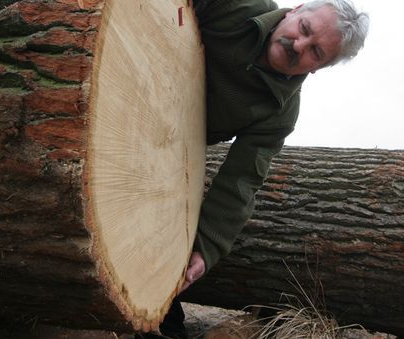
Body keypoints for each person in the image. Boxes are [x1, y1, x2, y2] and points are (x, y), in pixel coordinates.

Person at [140, 0, 368, 337]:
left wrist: (206, 247)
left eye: (315, 52)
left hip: (156, 159)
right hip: (131, 69)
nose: (298, 45)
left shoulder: (280, 113)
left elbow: (242, 180)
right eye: (304, 29)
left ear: (320, 68)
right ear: (295, 10)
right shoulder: (241, 5)